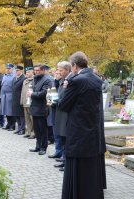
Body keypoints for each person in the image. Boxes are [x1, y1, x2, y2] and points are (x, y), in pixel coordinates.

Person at [59, 51, 106, 199]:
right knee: (90, 170)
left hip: (78, 131)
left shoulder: (76, 81)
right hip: (92, 130)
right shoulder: (96, 79)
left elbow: (63, 105)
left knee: (77, 169)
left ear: (74, 66)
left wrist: (65, 89)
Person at [48, 61, 73, 172]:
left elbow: (66, 98)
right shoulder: (62, 80)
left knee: (65, 139)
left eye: (60, 70)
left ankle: (66, 162)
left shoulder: (71, 79)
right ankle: (64, 160)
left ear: (67, 70)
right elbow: (59, 94)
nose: (58, 72)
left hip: (65, 114)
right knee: (62, 138)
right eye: (57, 69)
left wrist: (56, 103)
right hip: (59, 112)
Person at [27, 64, 51, 155]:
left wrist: (32, 94)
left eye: (38, 70)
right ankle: (38, 146)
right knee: (37, 129)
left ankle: (43, 147)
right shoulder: (34, 79)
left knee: (43, 129)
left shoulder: (47, 80)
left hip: (42, 108)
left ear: (43, 70)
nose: (36, 72)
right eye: (35, 70)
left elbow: (44, 93)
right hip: (34, 107)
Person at [0, 64, 15, 131]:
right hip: (4, 95)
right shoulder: (4, 76)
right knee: (6, 111)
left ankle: (12, 125)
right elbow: (2, 86)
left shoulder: (14, 76)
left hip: (10, 95)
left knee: (11, 111)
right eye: (7, 68)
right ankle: (8, 124)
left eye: (9, 68)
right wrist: (1, 95)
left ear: (12, 69)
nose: (8, 70)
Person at [20, 67, 35, 139]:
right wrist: (21, 101)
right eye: (26, 72)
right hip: (25, 102)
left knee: (32, 118)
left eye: (29, 72)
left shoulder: (34, 80)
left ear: (32, 72)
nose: (27, 74)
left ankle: (33, 133)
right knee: (27, 118)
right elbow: (22, 92)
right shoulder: (25, 81)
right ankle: (28, 132)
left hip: (31, 102)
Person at [12, 65, 26, 135]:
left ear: (21, 71)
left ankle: (22, 129)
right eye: (15, 70)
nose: (16, 72)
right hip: (14, 99)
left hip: (20, 99)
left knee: (21, 115)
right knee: (16, 114)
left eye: (17, 70)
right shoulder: (14, 78)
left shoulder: (24, 78)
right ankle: (19, 128)